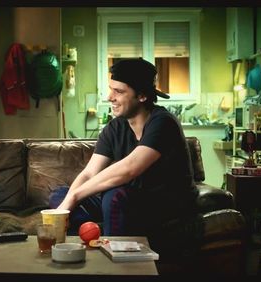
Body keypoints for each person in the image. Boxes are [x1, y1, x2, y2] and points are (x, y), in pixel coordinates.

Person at [55, 58, 199, 251]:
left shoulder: (163, 123)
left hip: (167, 206)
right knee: (60, 195)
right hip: (130, 202)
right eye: (111, 89)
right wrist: (67, 202)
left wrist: (75, 197)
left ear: (142, 96)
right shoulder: (115, 127)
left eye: (119, 91)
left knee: (114, 196)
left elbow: (129, 169)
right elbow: (90, 173)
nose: (110, 97)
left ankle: (118, 262)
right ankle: (93, 240)